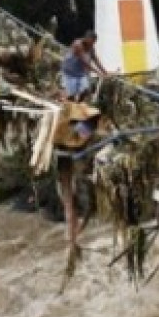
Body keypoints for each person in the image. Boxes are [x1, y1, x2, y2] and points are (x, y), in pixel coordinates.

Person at [52, 100, 104, 246]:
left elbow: (84, 133)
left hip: (74, 156)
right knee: (68, 195)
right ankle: (73, 231)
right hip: (66, 157)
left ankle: (74, 230)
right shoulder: (69, 124)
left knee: (72, 196)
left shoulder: (83, 122)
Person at [61, 30, 110, 102]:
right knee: (71, 95)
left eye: (94, 42)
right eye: (92, 41)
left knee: (85, 90)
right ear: (87, 38)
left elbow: (96, 60)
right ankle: (69, 105)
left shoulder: (91, 47)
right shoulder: (78, 44)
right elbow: (84, 62)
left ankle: (77, 105)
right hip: (69, 71)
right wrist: (97, 72)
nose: (93, 44)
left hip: (79, 72)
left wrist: (104, 71)